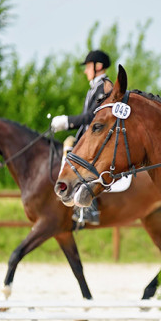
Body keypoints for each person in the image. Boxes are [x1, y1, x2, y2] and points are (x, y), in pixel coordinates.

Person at [51, 49, 113, 225]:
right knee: (69, 144)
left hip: (98, 138)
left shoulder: (105, 87)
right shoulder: (94, 88)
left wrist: (67, 121)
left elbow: (93, 116)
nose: (85, 71)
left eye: (88, 67)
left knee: (83, 161)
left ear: (98, 66)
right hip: (89, 135)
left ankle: (89, 209)